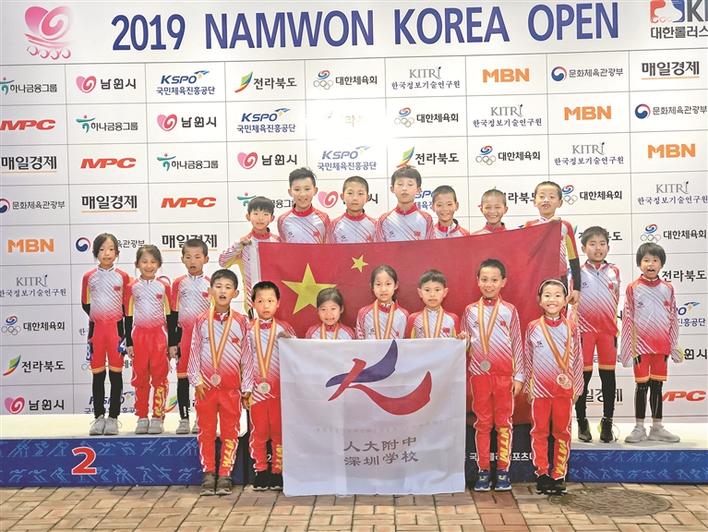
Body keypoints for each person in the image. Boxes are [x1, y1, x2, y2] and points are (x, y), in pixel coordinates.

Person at [188, 269, 254, 496]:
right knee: (206, 431)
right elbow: (194, 352)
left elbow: (247, 357)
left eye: (228, 287)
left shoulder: (241, 322)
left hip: (231, 390)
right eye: (218, 286)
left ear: (235, 293)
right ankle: (208, 473)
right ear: (210, 291)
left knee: (230, 432)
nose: (222, 291)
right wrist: (196, 380)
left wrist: (247, 387)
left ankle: (225, 473)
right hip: (205, 389)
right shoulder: (201, 321)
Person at [462, 259, 523, 492]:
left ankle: (504, 470)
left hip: (504, 375)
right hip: (479, 375)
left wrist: (519, 376)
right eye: (485, 279)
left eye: (494, 280)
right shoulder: (470, 311)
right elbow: (466, 345)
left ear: (503, 282)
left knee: (504, 424)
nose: (489, 284)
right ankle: (484, 470)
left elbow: (517, 343)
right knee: (483, 424)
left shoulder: (509, 310)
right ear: (477, 281)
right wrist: (463, 340)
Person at [524, 279, 583, 495]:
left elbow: (578, 358)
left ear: (565, 300)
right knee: (539, 431)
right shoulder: (533, 327)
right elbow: (527, 358)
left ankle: (559, 474)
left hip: (564, 390)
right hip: (540, 390)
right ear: (539, 300)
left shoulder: (572, 327)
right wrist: (529, 386)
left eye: (558, 295)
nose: (552, 300)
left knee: (562, 432)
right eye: (547, 295)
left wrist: (577, 387)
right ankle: (542, 473)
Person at [621, 243, 682, 444]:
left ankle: (657, 427)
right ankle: (638, 427)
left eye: (655, 260)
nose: (650, 264)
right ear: (639, 264)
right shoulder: (633, 288)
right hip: (640, 348)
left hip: (661, 347)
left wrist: (673, 346)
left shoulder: (668, 288)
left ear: (661, 264)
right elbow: (627, 319)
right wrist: (626, 350)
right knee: (641, 386)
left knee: (657, 386)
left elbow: (673, 318)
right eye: (646, 260)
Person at [248, 281, 297, 490]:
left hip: (279, 391)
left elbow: (297, 356)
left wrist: (290, 340)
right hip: (256, 392)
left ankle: (278, 471)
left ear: (278, 303)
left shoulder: (285, 328)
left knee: (279, 433)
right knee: (258, 433)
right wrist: (246, 389)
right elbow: (243, 360)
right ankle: (260, 470)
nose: (265, 305)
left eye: (270, 301)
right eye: (260, 301)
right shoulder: (247, 329)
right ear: (253, 303)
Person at [574, 226, 620, 443]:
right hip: (584, 332)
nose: (598, 248)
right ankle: (582, 421)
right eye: (592, 244)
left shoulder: (614, 271)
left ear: (608, 247)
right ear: (584, 248)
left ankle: (607, 422)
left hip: (608, 332)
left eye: (602, 244)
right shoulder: (577, 272)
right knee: (583, 378)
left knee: (608, 378)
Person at [81, 233, 130, 436]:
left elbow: (127, 307)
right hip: (96, 332)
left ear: (117, 252)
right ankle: (99, 416)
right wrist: (100, 318)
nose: (106, 253)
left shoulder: (124, 277)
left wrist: (114, 322)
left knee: (116, 375)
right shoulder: (88, 277)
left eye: (110, 249)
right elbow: (85, 304)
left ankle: (113, 418)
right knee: (98, 375)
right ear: (95, 253)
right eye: (101, 250)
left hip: (116, 332)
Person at [124, 245, 176, 435]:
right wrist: (129, 342)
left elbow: (170, 316)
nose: (149, 265)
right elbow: (127, 316)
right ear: (137, 264)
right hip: (139, 337)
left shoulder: (164, 286)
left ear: (159, 264)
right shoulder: (132, 287)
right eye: (144, 261)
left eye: (153, 262)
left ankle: (158, 416)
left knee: (160, 378)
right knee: (140, 378)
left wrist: (172, 343)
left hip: (159, 337)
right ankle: (142, 416)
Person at [171, 238, 211, 435]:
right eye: (188, 257)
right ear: (182, 259)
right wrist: (173, 342)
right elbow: (172, 314)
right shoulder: (178, 284)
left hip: (204, 340)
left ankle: (200, 419)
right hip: (184, 338)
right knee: (183, 378)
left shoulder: (211, 284)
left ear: (206, 259)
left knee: (201, 380)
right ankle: (184, 419)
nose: (193, 261)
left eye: (197, 257)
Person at [523, 181, 581, 306]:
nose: (546, 200)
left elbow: (573, 258)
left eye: (552, 197)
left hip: (560, 278)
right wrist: (549, 226)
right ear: (534, 201)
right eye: (542, 196)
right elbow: (526, 254)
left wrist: (577, 288)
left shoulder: (565, 226)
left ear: (560, 202)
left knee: (559, 312)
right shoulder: (529, 226)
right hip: (536, 277)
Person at [219, 196, 280, 310]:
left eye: (265, 214)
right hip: (251, 303)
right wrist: (238, 245)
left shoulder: (279, 242)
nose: (260, 218)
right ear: (248, 216)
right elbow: (223, 262)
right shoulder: (243, 244)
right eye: (256, 213)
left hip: (275, 301)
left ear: (272, 218)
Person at [375, 166, 434, 241]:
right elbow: (379, 247)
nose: (404, 188)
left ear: (418, 190)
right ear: (392, 189)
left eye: (410, 184)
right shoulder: (384, 220)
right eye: (400, 184)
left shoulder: (426, 218)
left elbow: (431, 247)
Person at [277, 167, 330, 243]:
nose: (302, 194)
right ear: (290, 192)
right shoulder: (282, 220)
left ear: (315, 190)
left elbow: (327, 247)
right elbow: (283, 247)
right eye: (297, 189)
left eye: (307, 189)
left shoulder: (324, 218)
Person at [356, 265, 409, 339]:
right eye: (378, 284)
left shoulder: (403, 315)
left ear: (396, 285)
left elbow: (407, 343)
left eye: (388, 284)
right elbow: (359, 343)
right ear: (372, 286)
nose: (383, 289)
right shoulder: (363, 313)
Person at [406, 270, 460, 338]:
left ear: (445, 292)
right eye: (427, 290)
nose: (432, 294)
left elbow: (458, 343)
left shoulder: (453, 318)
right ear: (420, 293)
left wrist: (463, 339)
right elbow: (408, 343)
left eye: (437, 290)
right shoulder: (413, 319)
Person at [326, 176, 377, 243]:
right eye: (350, 193)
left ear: (367, 198)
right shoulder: (334, 225)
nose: (355, 198)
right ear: (342, 196)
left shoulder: (375, 225)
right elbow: (330, 249)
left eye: (360, 194)